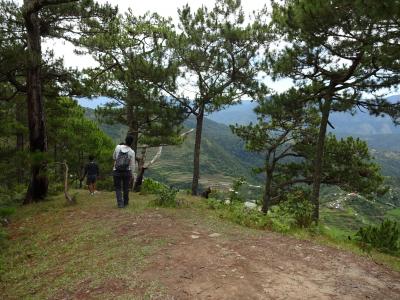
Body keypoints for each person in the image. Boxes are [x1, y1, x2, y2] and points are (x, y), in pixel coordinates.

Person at [113, 135, 136, 208]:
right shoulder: (131, 152)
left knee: (118, 188)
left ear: (125, 140)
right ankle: (126, 203)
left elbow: (113, 157)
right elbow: (132, 164)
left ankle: (120, 204)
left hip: (116, 171)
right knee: (126, 188)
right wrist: (132, 174)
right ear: (132, 143)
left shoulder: (118, 147)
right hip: (126, 172)